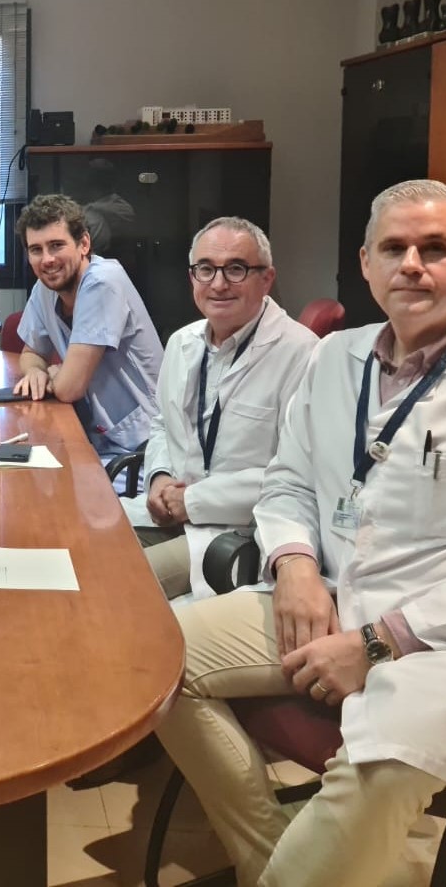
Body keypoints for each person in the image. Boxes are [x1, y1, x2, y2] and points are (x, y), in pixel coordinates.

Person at [155, 180, 446, 886]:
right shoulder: (337, 359)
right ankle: (270, 861)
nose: (412, 266)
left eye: (435, 249)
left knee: (381, 767)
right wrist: (296, 565)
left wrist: (379, 640)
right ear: (365, 263)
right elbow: (287, 481)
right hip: (333, 597)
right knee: (152, 660)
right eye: (394, 249)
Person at [127, 217, 317, 601]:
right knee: (81, 546)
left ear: (267, 279)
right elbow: (163, 423)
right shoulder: (183, 341)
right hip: (170, 512)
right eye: (206, 269)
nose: (218, 284)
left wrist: (192, 502)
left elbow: (296, 476)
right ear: (191, 277)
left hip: (235, 529)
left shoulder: (302, 353)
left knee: (121, 583)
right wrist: (160, 478)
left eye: (236, 269)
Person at [11, 194, 163, 467]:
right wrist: (36, 371)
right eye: (36, 249)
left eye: (56, 245)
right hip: (92, 438)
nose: (47, 260)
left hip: (140, 452)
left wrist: (57, 372)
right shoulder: (45, 288)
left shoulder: (103, 282)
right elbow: (31, 352)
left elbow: (69, 388)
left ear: (83, 244)